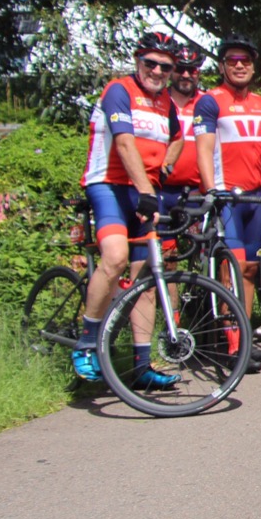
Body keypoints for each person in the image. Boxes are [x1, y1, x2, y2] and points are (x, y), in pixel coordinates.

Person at [71, 31, 184, 388]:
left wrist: (166, 165)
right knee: (116, 257)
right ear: (138, 62)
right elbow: (123, 143)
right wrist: (147, 188)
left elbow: (178, 136)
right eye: (150, 63)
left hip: (144, 190)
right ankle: (87, 343)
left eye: (164, 66)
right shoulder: (118, 90)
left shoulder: (166, 102)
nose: (157, 70)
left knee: (147, 280)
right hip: (109, 186)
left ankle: (140, 367)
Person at [194, 34, 261, 365]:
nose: (239, 65)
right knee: (232, 267)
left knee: (251, 268)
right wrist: (211, 190)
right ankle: (232, 345)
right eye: (232, 61)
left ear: (254, 66)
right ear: (222, 66)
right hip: (226, 197)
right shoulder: (210, 101)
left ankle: (241, 334)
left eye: (245, 61)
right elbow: (203, 150)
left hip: (255, 198)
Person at [158, 44, 205, 215]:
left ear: (198, 72)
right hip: (159, 188)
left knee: (198, 241)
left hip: (195, 190)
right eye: (180, 69)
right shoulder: (157, 99)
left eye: (191, 70)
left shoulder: (208, 102)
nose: (185, 75)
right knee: (162, 242)